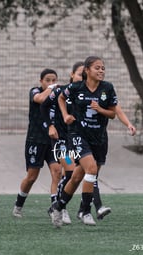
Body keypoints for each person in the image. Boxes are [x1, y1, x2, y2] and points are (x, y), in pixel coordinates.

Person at [51, 56, 117, 227]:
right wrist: (64, 116)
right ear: (84, 71)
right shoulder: (74, 88)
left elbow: (113, 113)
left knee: (77, 176)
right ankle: (86, 210)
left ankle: (58, 206)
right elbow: (59, 99)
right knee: (87, 169)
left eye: (103, 68)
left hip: (97, 138)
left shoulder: (107, 88)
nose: (101, 70)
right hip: (70, 140)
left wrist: (101, 109)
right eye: (97, 67)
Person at [12, 69, 62, 218]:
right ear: (41, 81)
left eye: (54, 80)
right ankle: (18, 205)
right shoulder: (35, 91)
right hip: (36, 141)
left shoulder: (59, 95)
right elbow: (39, 99)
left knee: (58, 172)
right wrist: (52, 90)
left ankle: (55, 207)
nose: (51, 83)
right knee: (32, 177)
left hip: (53, 142)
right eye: (48, 80)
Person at [40, 61, 85, 225]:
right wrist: (50, 126)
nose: (82, 77)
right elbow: (43, 107)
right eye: (80, 74)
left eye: (85, 75)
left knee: (76, 174)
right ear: (72, 74)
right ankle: (61, 207)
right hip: (60, 141)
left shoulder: (87, 94)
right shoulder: (60, 91)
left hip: (77, 141)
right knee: (70, 169)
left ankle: (63, 206)